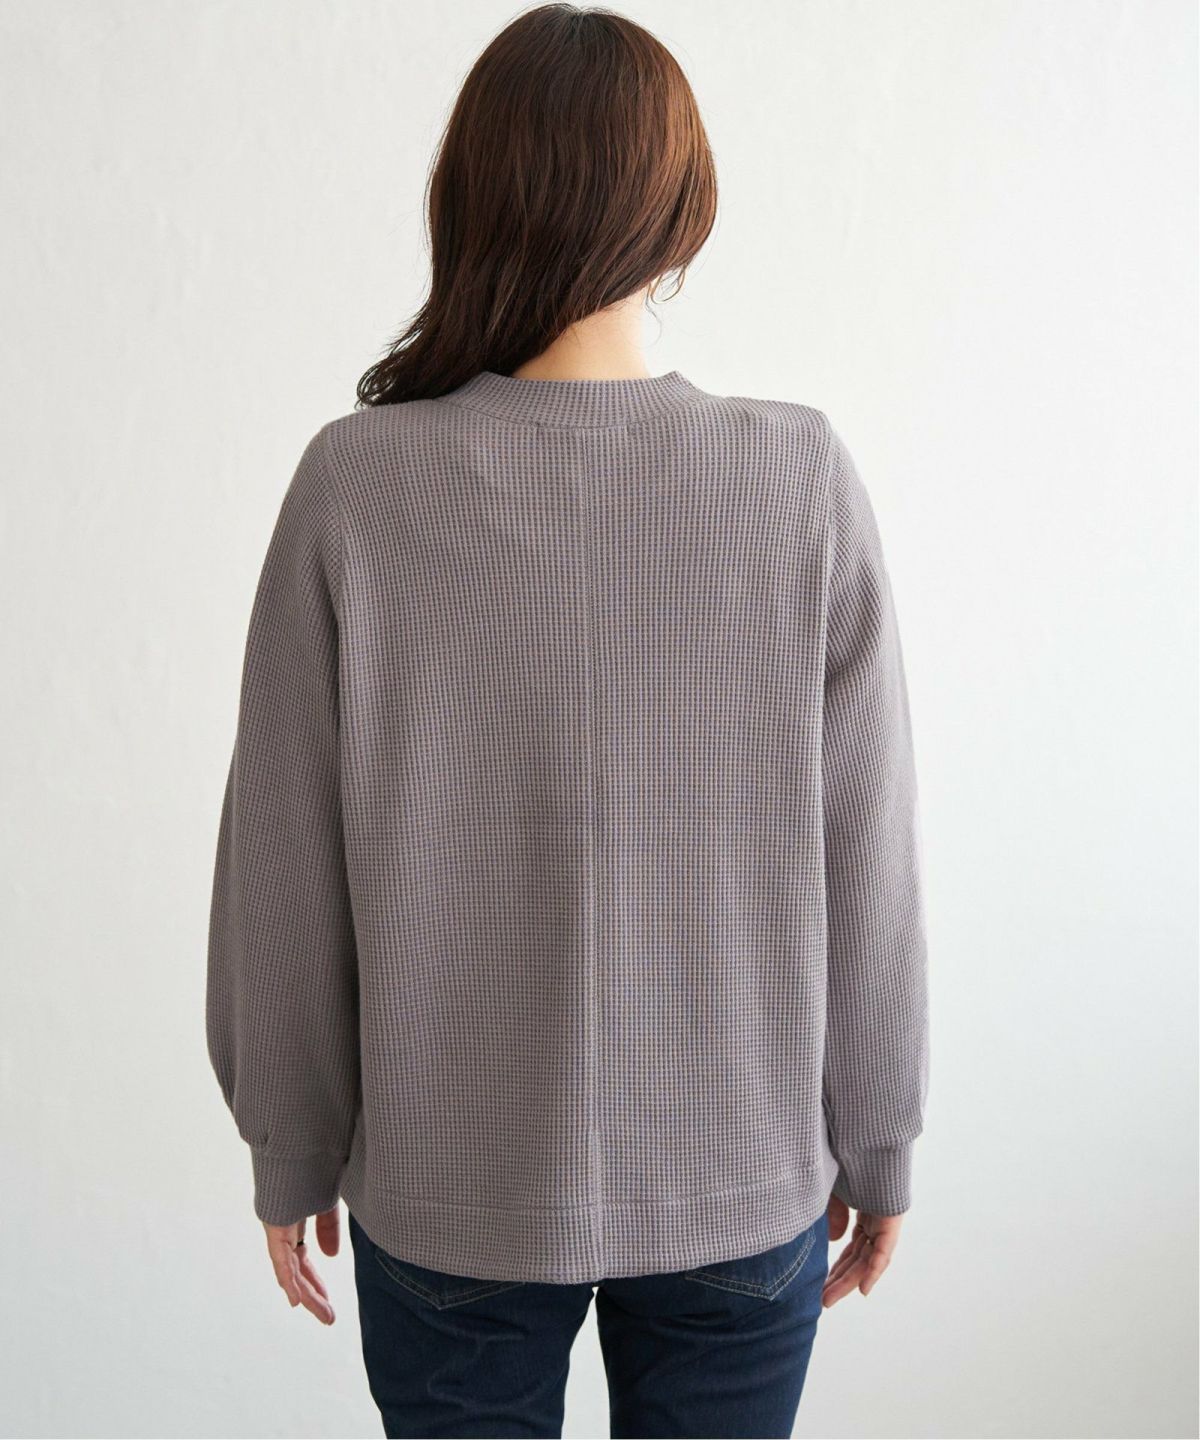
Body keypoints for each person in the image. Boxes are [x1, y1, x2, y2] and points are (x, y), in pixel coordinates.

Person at [204, 4, 930, 1437]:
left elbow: (281, 863)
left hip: (452, 1188)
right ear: (680, 208)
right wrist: (881, 1136)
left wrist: (292, 1142)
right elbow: (873, 858)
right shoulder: (798, 476)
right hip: (738, 1178)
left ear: (470, 200)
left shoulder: (355, 483)